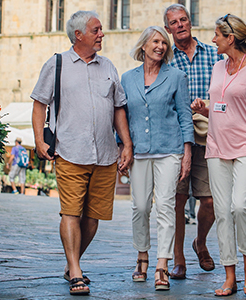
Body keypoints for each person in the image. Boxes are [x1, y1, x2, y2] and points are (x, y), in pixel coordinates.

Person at [30, 11, 133, 296]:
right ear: (79, 35)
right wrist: (39, 140)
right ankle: (75, 271)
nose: (102, 34)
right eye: (96, 30)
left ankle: (71, 262)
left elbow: (118, 109)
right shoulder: (57, 64)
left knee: (93, 217)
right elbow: (39, 104)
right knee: (71, 213)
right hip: (70, 151)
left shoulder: (108, 66)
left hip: (104, 155)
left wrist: (126, 143)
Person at [191, 14, 246, 296]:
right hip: (216, 146)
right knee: (223, 212)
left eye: (216, 35)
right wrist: (205, 108)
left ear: (230, 38)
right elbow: (221, 103)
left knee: (241, 206)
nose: (212, 39)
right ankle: (230, 275)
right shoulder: (217, 67)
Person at [120, 26, 194, 291]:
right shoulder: (127, 79)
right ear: (143, 46)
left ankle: (162, 264)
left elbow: (185, 116)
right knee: (140, 206)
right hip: (139, 150)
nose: (161, 46)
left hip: (170, 150)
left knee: (165, 206)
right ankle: (142, 255)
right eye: (155, 41)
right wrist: (122, 147)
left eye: (164, 42)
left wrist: (187, 152)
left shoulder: (177, 77)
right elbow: (122, 117)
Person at [163, 3, 223, 279]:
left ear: (190, 22)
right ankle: (178, 259)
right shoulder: (165, 59)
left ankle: (200, 242)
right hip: (177, 139)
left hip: (210, 136)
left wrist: (207, 106)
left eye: (183, 19)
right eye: (174, 22)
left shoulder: (214, 54)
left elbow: (226, 94)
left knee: (209, 201)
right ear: (168, 29)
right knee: (177, 199)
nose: (180, 25)